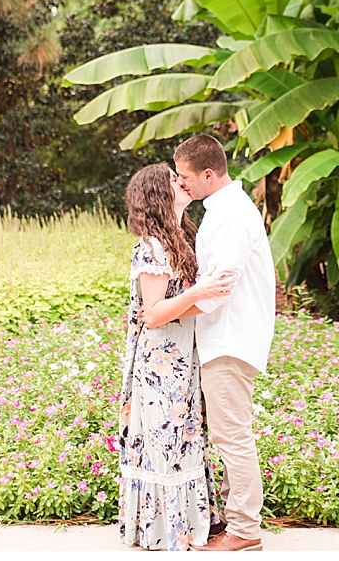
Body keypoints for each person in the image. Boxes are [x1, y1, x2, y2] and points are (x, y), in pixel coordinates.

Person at [119, 163, 235, 551]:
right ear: (158, 194)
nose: (181, 181)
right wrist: (200, 292)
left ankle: (192, 523)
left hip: (186, 356)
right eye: (172, 178)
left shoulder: (185, 237)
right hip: (161, 362)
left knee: (187, 439)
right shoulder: (152, 246)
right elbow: (153, 314)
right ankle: (164, 529)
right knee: (167, 442)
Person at [173, 134, 275, 553]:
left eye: (184, 177)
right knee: (228, 435)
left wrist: (168, 314)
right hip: (224, 338)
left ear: (208, 174)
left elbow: (218, 289)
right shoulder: (224, 209)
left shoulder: (231, 215)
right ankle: (236, 523)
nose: (181, 184)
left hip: (229, 340)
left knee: (232, 437)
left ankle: (245, 529)